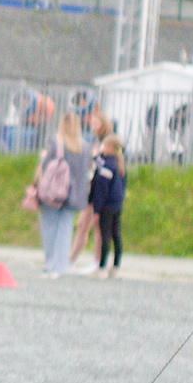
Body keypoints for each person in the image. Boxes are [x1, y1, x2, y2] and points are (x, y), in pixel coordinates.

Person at [33, 110, 87, 277]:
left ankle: (50, 264)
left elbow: (47, 165)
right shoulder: (84, 146)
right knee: (65, 230)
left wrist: (43, 157)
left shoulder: (56, 143)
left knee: (49, 227)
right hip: (74, 193)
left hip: (53, 191)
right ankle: (60, 265)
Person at [68, 107, 111, 269]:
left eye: (96, 122)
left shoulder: (109, 141)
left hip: (101, 187)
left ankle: (98, 260)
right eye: (92, 122)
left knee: (97, 225)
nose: (93, 125)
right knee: (82, 223)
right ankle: (71, 258)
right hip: (90, 186)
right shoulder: (95, 141)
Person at [88, 133, 128, 277]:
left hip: (106, 206)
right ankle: (116, 266)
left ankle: (102, 267)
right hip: (117, 205)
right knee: (116, 234)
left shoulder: (107, 166)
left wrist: (97, 208)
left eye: (104, 145)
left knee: (105, 235)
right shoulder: (119, 164)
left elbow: (101, 190)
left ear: (110, 147)